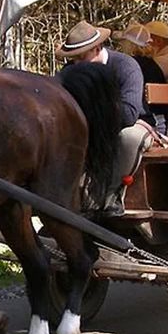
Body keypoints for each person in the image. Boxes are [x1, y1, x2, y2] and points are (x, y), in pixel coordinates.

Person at [57, 20, 152, 216]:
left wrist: (90, 115)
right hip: (91, 124)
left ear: (98, 48)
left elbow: (128, 114)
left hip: (132, 124)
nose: (77, 64)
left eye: (82, 57)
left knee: (129, 137)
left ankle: (111, 195)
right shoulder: (69, 72)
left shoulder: (126, 66)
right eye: (74, 59)